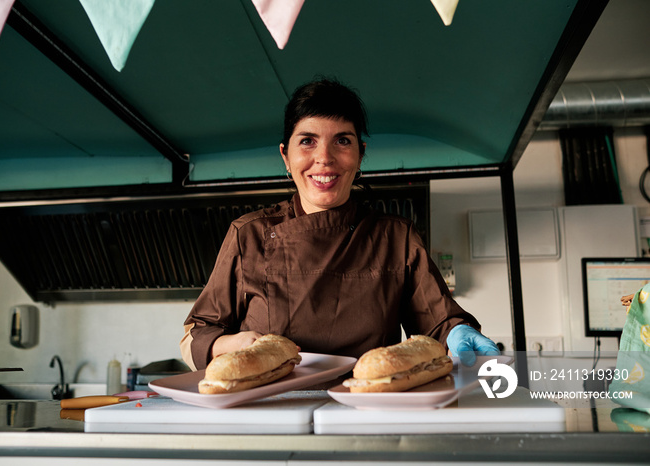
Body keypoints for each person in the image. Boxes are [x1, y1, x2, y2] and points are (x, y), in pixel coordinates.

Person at [180, 78, 498, 371]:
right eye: (307, 141)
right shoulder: (249, 234)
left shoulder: (397, 237)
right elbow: (197, 334)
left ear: (360, 154)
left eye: (342, 141)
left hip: (371, 405)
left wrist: (459, 332)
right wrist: (232, 343)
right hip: (272, 411)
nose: (325, 158)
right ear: (285, 157)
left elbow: (437, 323)